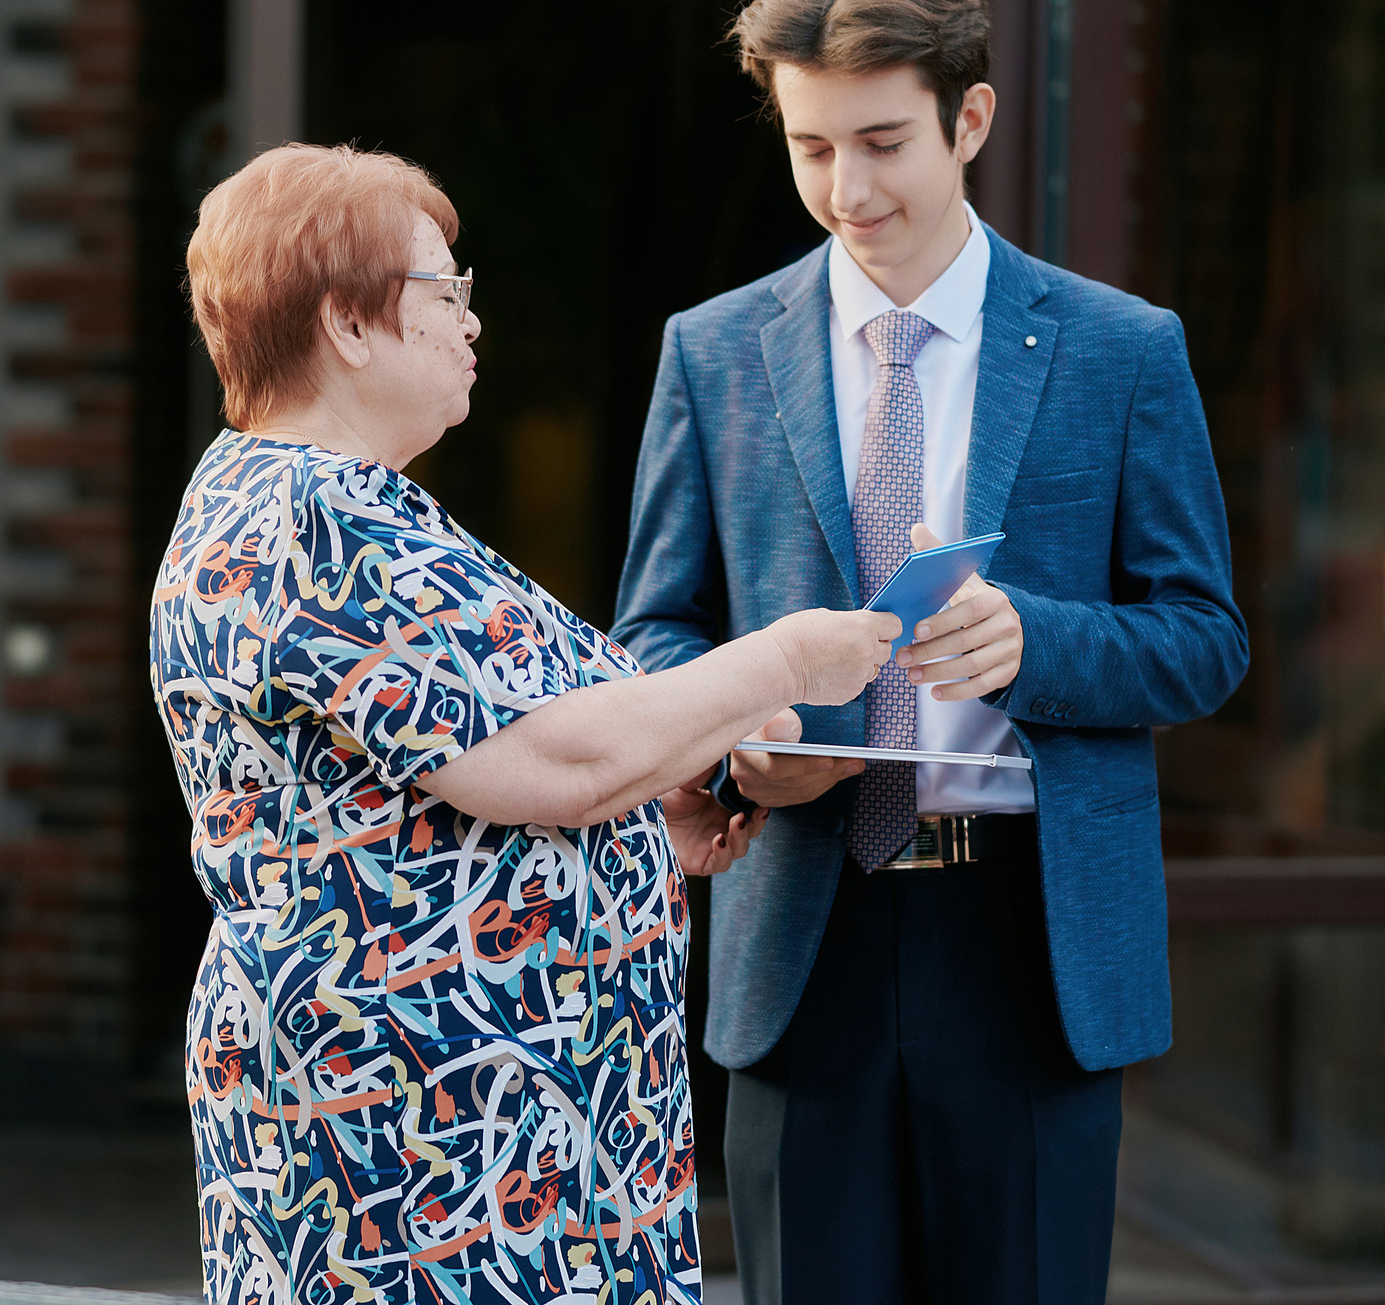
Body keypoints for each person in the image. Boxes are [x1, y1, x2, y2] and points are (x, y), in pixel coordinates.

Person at [615, 0, 1249, 1304]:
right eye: (812, 147)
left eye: (884, 143)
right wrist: (738, 746)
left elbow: (1206, 636)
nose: (848, 189)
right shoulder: (713, 354)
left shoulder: (1122, 350)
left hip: (1032, 946)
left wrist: (1042, 642)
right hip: (805, 929)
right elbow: (653, 635)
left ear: (971, 119)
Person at [149, 142, 902, 1305]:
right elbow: (565, 760)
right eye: (443, 293)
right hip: (428, 1141)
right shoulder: (321, 518)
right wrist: (789, 657)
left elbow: (488, 757)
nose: (472, 325)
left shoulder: (306, 499)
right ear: (347, 326)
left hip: (461, 1127)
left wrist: (647, 819)